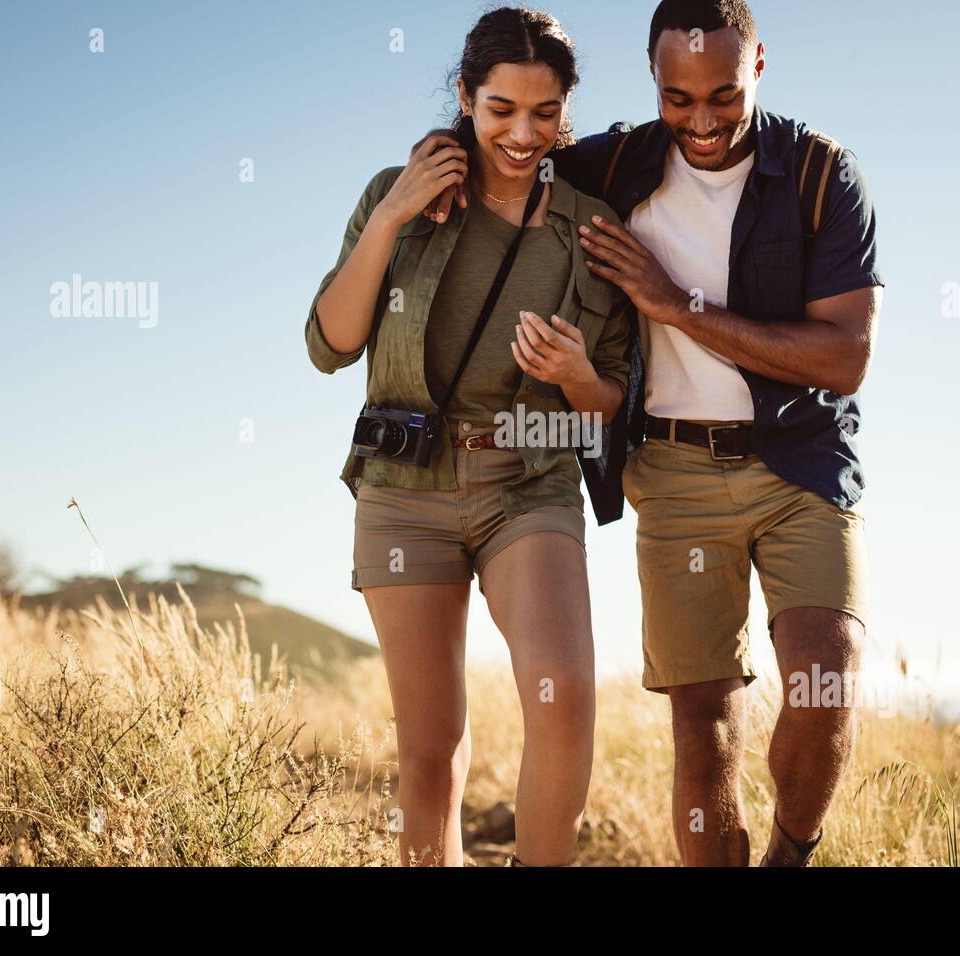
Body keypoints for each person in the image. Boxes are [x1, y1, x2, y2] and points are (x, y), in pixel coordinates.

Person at [427, 0, 884, 867]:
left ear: (758, 67)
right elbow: (516, 142)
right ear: (653, 79)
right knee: (704, 727)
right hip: (671, 474)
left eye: (722, 96)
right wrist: (438, 162)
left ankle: (792, 852)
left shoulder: (824, 173)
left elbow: (845, 357)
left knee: (826, 683)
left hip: (804, 466)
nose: (702, 122)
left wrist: (677, 306)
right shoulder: (621, 161)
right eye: (681, 99)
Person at [303, 6, 631, 867]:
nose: (523, 135)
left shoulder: (593, 232)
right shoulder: (395, 196)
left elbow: (611, 403)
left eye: (546, 113)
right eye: (500, 111)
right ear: (464, 96)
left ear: (567, 108)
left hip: (529, 481)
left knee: (563, 703)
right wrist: (389, 219)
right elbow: (329, 345)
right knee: (431, 750)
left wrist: (575, 377)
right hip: (404, 489)